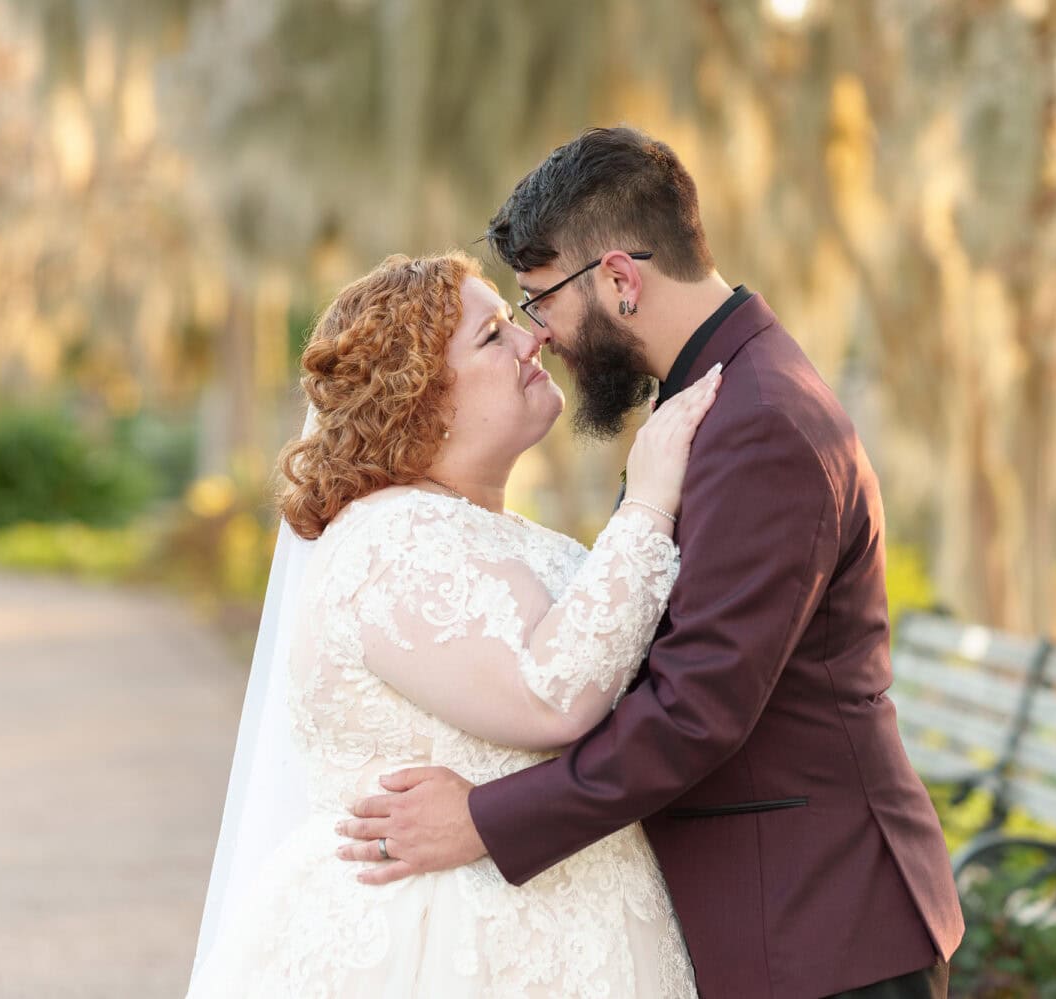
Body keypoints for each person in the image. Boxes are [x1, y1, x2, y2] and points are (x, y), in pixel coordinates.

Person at [338, 128, 965, 998]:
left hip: (819, 926)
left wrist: (483, 820)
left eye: (540, 301)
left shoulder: (759, 424)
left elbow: (695, 709)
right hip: (785, 916)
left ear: (620, 280)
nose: (541, 337)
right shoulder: (721, 395)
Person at [187, 250, 721, 997]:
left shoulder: (507, 537)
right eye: (493, 335)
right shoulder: (389, 541)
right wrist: (650, 500)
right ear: (422, 397)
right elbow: (553, 692)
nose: (532, 340)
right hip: (439, 952)